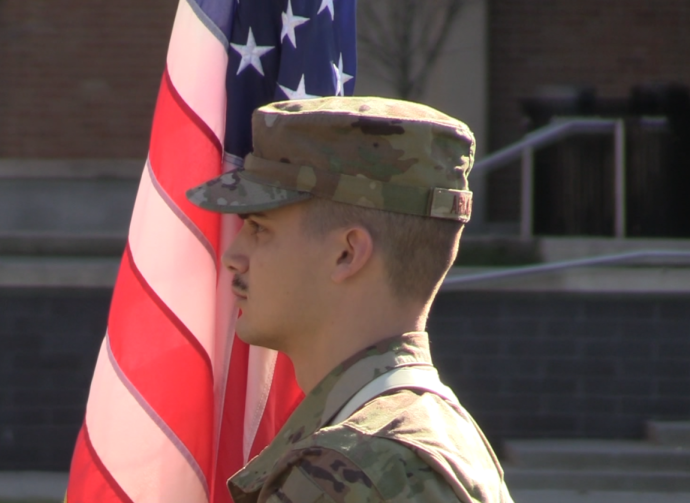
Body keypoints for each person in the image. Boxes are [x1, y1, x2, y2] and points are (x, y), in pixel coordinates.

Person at [186, 97, 513, 503]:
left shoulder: (343, 473)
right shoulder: (445, 437)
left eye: (258, 227)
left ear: (346, 253)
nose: (234, 257)